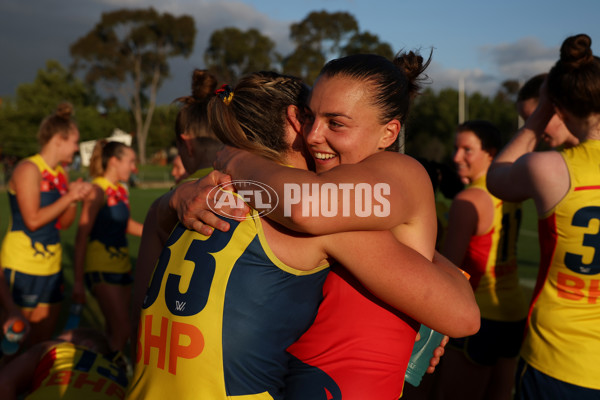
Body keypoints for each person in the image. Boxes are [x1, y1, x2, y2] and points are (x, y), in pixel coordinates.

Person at [127, 70, 479, 399]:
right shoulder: (311, 220)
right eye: (312, 119)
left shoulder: (195, 193)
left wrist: (168, 201)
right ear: (297, 121)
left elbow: (138, 308)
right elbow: (462, 315)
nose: (317, 136)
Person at [487, 33, 600, 399]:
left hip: (558, 354)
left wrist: (538, 117)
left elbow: (497, 177)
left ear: (560, 108)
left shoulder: (550, 169)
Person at [429, 121, 528, 400]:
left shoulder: (469, 199)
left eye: (467, 150)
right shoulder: (512, 190)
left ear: (491, 153)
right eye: (456, 148)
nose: (456, 157)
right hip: (512, 311)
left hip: (477, 313)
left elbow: (447, 267)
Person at [129, 69, 223, 359]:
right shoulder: (258, 192)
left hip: (169, 357)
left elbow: (139, 310)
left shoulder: (166, 204)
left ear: (187, 143)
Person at [0, 102, 92, 348]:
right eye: (74, 142)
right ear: (58, 140)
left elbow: (64, 222)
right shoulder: (28, 169)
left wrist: (73, 200)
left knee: (40, 345)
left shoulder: (61, 173)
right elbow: (32, 220)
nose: (76, 148)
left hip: (51, 267)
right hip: (22, 268)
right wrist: (69, 197)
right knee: (13, 344)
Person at [73, 140, 143, 352]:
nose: (133, 167)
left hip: (122, 267)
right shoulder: (97, 190)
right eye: (130, 161)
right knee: (123, 330)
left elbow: (126, 224)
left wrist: (162, 233)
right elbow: (81, 235)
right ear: (114, 161)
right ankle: (111, 375)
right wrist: (77, 281)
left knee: (114, 330)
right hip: (101, 267)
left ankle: (108, 376)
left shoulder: (119, 190)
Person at [0, 327, 129, 399]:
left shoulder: (56, 347)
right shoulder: (126, 382)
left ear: (87, 344)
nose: (55, 340)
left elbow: (4, 384)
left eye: (60, 338)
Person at [517, 73, 579, 149]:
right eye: (526, 123)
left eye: (535, 119)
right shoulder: (562, 158)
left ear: (560, 109)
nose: (531, 129)